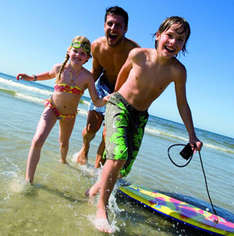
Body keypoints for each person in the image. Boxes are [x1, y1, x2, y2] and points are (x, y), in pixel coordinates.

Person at [87, 16, 203, 233]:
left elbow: (182, 104)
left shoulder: (178, 71)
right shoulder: (138, 55)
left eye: (180, 39)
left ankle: (98, 185)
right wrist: (112, 102)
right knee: (118, 154)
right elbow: (122, 77)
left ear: (183, 45)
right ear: (158, 35)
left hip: (140, 116)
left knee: (124, 168)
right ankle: (101, 210)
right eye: (169, 35)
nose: (173, 42)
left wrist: (192, 136)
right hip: (120, 105)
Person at [17, 36, 109, 184]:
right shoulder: (59, 68)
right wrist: (31, 77)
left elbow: (96, 101)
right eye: (75, 51)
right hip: (52, 108)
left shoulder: (87, 77)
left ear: (87, 59)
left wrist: (105, 100)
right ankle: (29, 180)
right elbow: (47, 75)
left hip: (69, 115)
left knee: (63, 144)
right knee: (37, 139)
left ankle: (63, 161)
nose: (78, 55)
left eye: (82, 53)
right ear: (68, 51)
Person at [75, 6, 139, 168]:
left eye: (118, 25)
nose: (113, 28)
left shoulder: (134, 50)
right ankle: (85, 148)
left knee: (107, 135)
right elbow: (95, 71)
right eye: (110, 24)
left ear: (125, 29)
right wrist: (78, 91)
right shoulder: (96, 46)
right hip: (103, 87)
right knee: (91, 129)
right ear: (104, 26)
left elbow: (137, 79)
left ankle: (97, 169)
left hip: (122, 94)